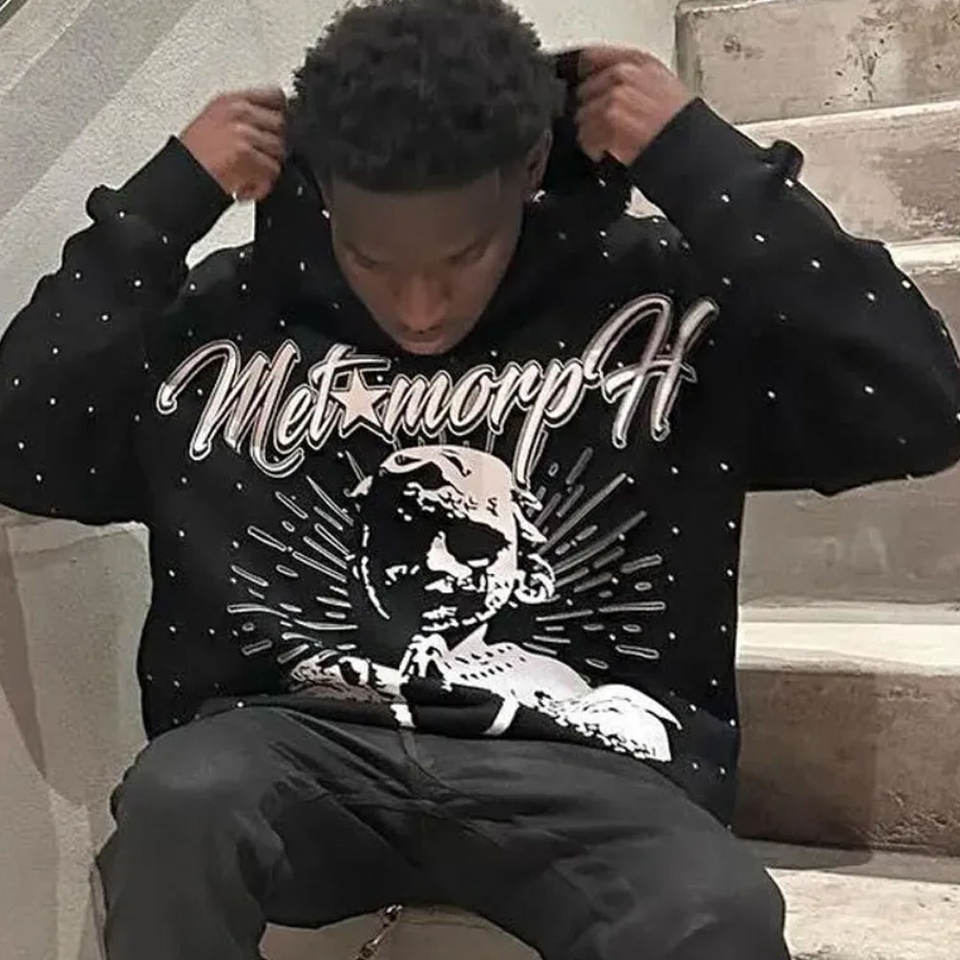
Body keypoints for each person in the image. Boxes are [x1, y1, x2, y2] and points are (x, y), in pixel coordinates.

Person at [2, 0, 959, 957]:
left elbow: (920, 407)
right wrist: (162, 205)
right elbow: (21, 445)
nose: (420, 308)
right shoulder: (229, 315)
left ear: (532, 168)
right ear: (325, 188)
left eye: (463, 256)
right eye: (372, 259)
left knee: (715, 911)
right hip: (292, 748)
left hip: (585, 772)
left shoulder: (659, 301)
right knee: (179, 806)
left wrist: (702, 162)